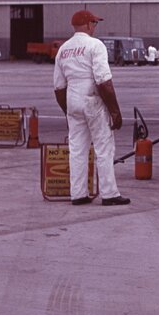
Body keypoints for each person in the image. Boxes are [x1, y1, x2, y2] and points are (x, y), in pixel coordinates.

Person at [53, 10, 130, 206]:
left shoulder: (63, 50)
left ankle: (78, 194)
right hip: (92, 98)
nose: (95, 27)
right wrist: (115, 111)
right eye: (95, 23)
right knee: (104, 147)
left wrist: (68, 112)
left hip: (72, 99)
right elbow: (104, 81)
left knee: (77, 149)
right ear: (88, 25)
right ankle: (109, 193)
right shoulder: (95, 45)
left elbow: (58, 87)